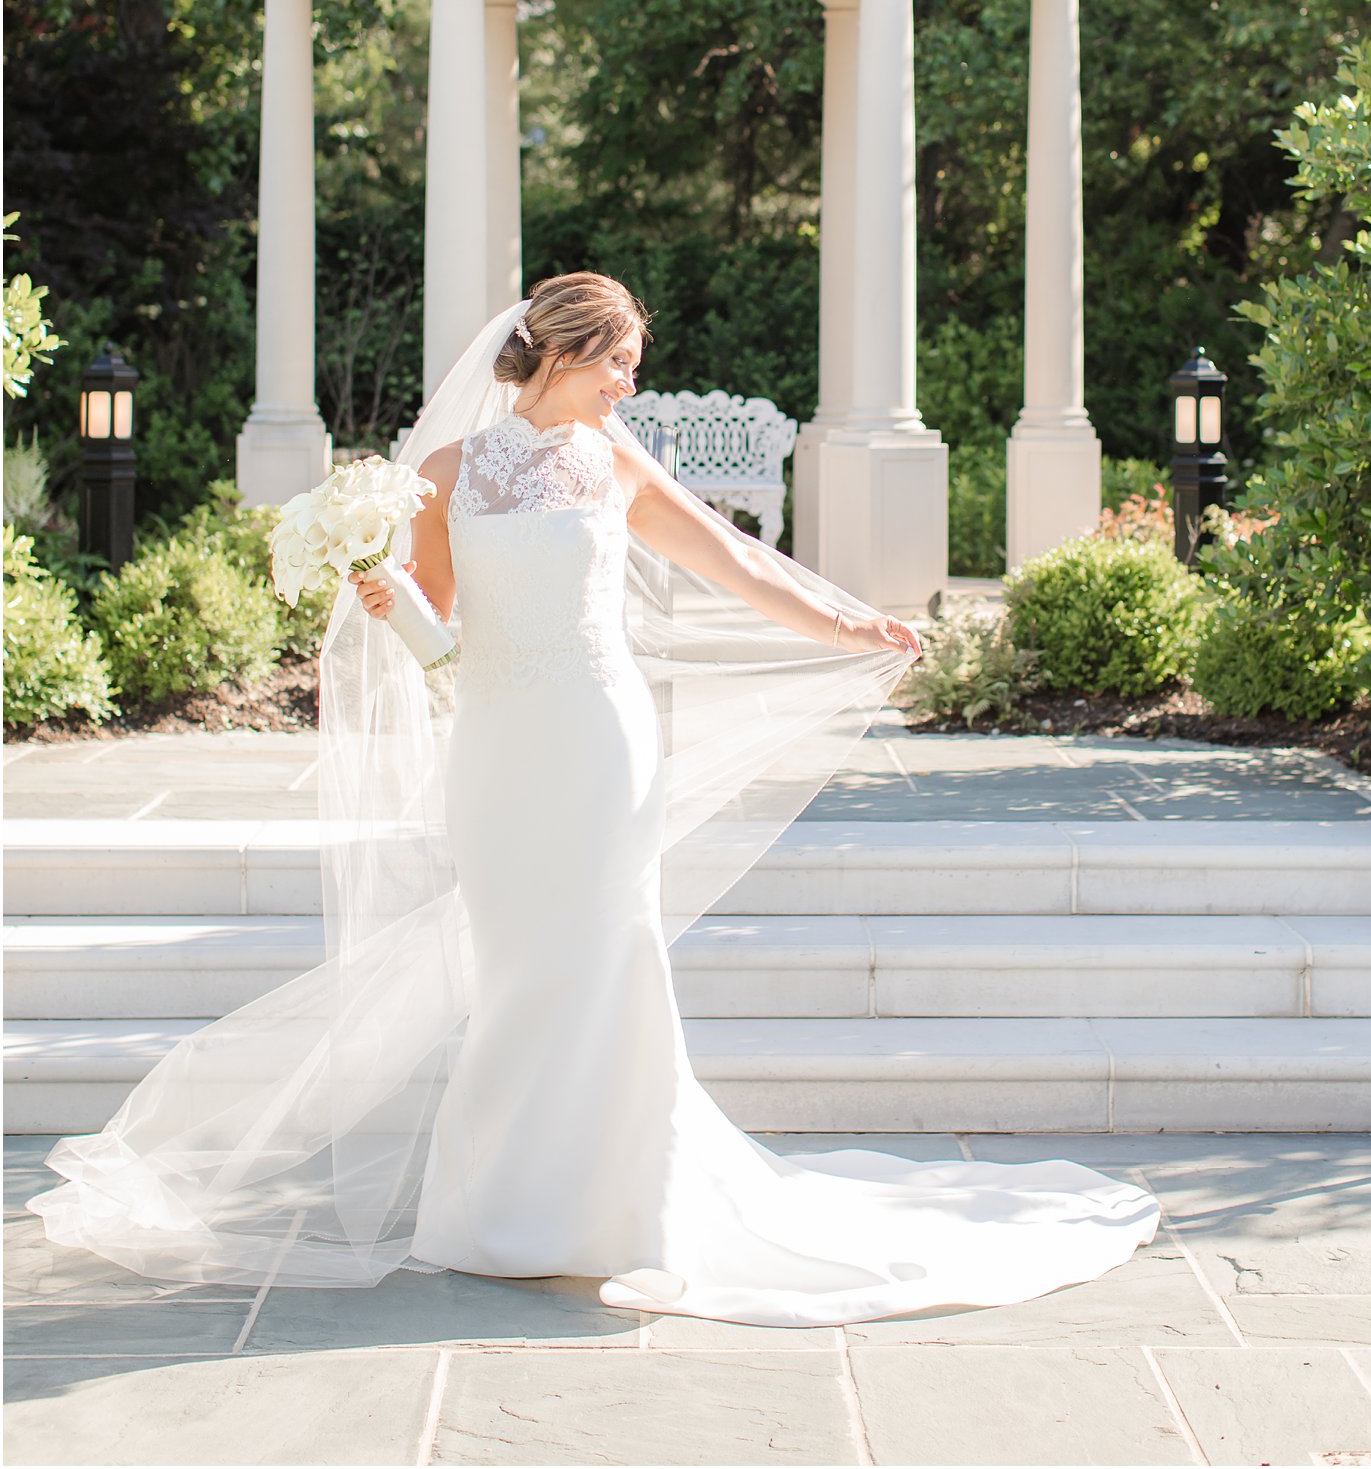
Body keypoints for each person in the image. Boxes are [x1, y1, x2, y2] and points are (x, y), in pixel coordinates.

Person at [31, 272, 1159, 1325]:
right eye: (620, 360)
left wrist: (852, 623)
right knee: (520, 965)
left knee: (608, 957)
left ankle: (623, 1206)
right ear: (566, 350)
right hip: (496, 747)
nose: (630, 382)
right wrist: (379, 592)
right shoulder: (442, 475)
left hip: (598, 740)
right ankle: (498, 1210)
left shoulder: (608, 461)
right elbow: (440, 644)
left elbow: (735, 559)